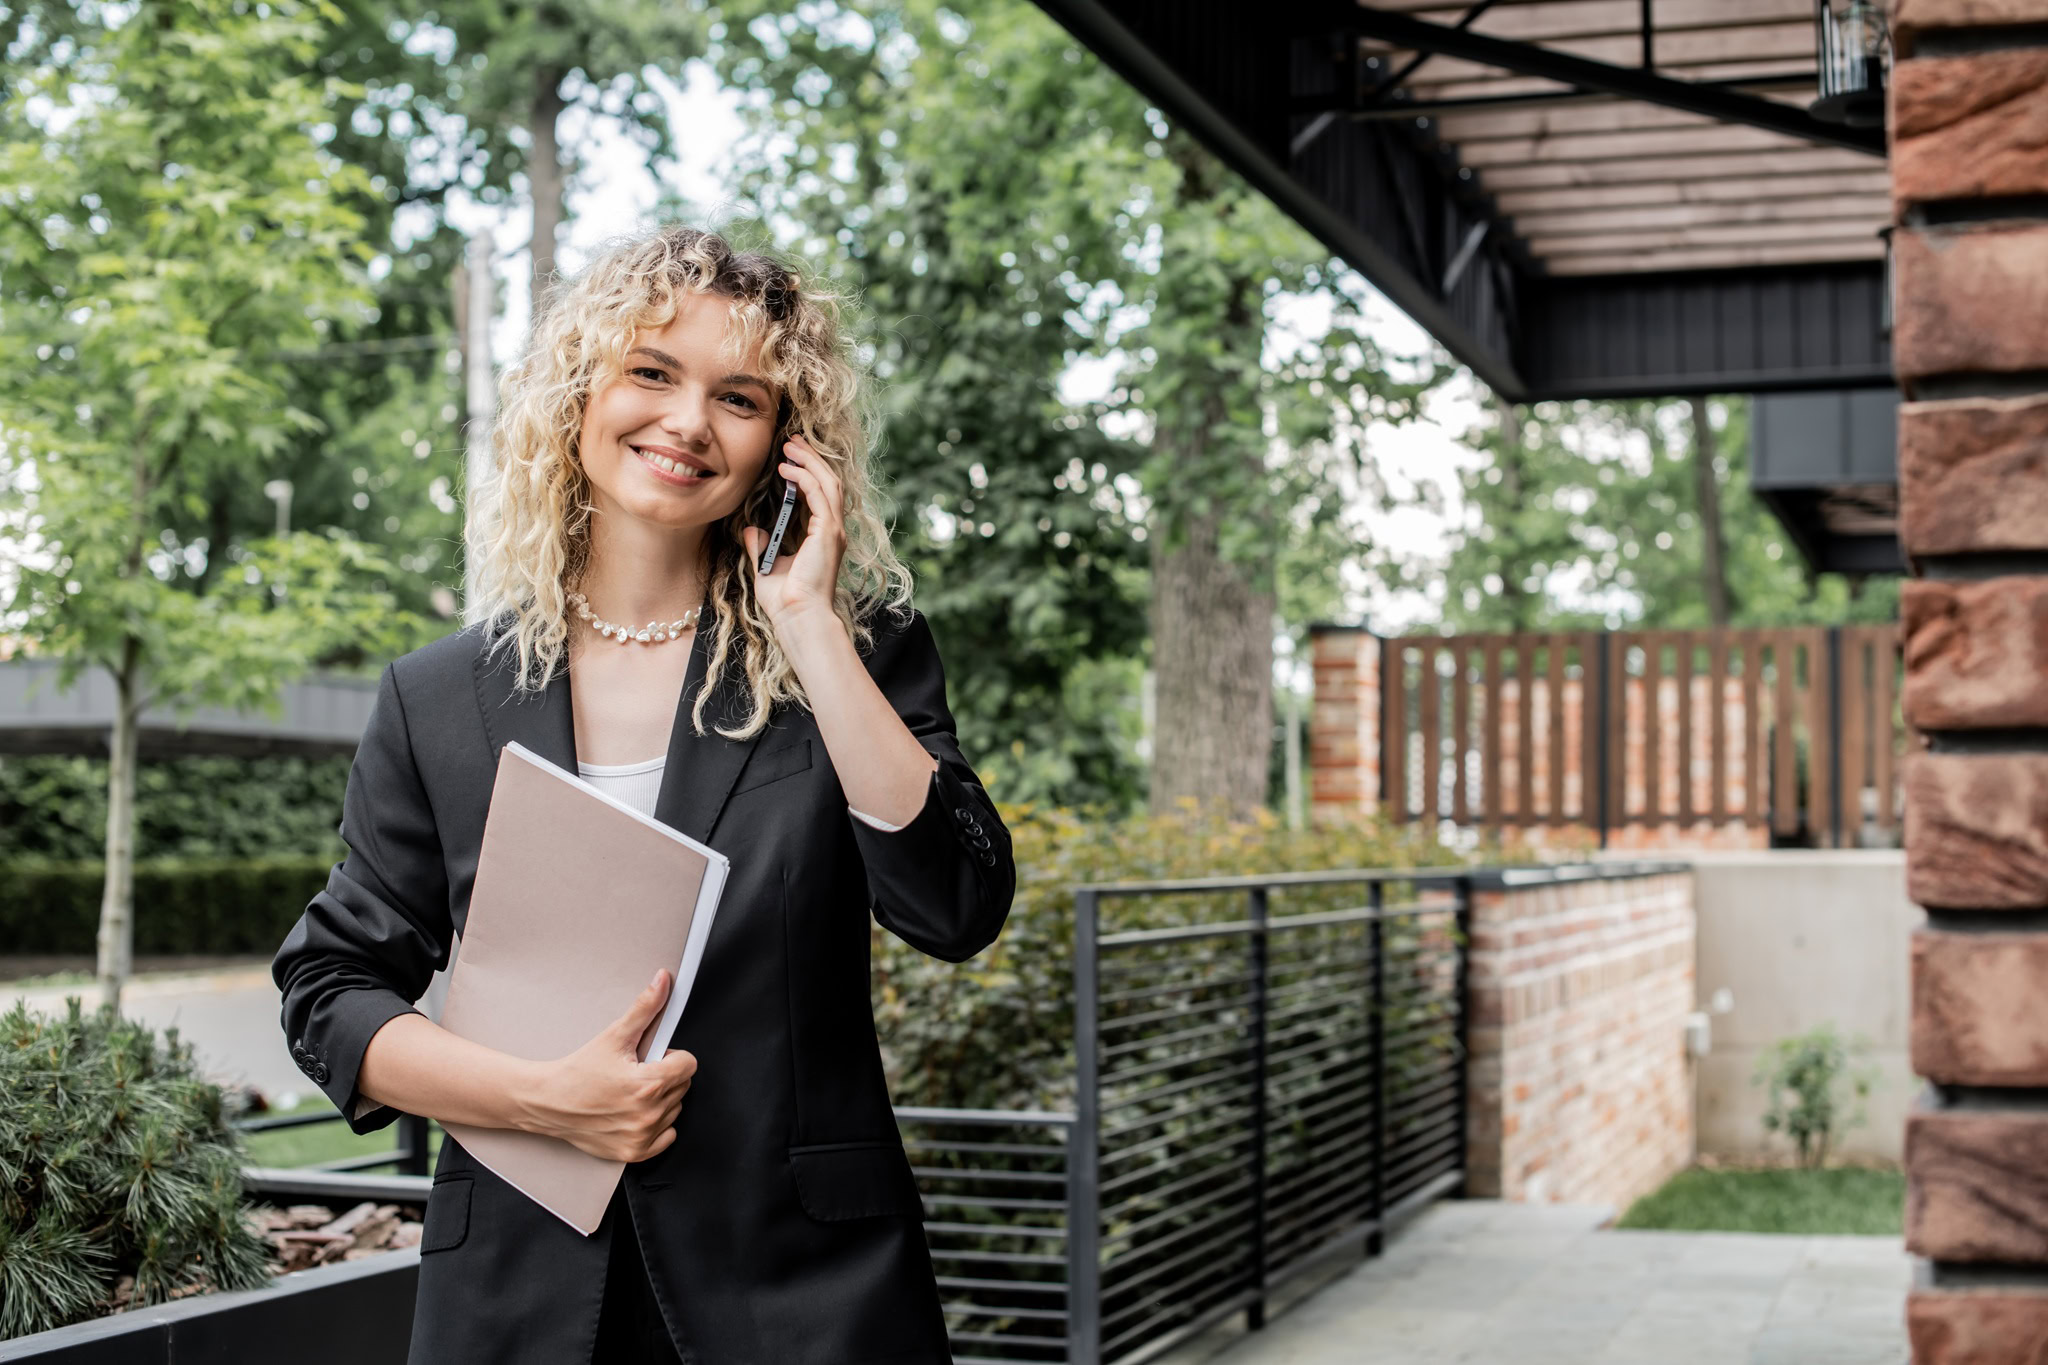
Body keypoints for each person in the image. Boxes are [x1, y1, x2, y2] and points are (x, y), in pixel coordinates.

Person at [270, 225, 1017, 1364]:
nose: (686, 422)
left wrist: (808, 623)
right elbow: (330, 989)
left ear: (784, 444)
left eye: (740, 397)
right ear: (579, 394)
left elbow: (955, 904)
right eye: (651, 372)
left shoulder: (852, 654)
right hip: (520, 1298)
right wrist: (537, 1099)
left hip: (803, 1295)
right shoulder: (439, 696)